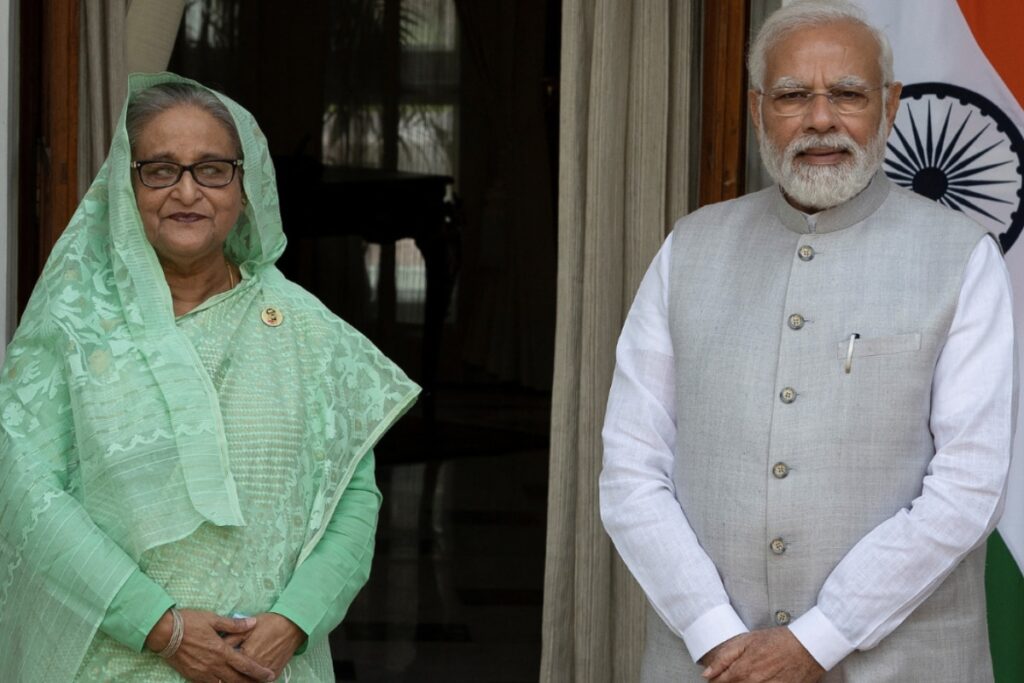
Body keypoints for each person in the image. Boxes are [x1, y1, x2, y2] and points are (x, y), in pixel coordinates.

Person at [599, 1, 1016, 682]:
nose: (821, 119)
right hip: (707, 664)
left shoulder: (961, 257)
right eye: (794, 96)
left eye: (848, 94)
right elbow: (631, 468)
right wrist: (715, 633)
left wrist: (816, 640)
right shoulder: (690, 248)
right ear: (760, 109)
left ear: (889, 105)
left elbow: (969, 486)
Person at [0, 73, 419, 682]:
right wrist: (162, 626)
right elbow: (26, 493)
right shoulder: (74, 329)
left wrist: (296, 621)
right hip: (116, 662)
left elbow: (352, 500)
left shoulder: (307, 330)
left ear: (245, 187)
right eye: (161, 169)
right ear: (126, 184)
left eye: (212, 169)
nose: (188, 191)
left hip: (270, 666)